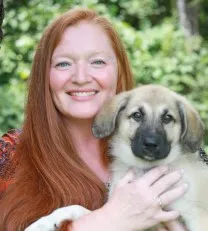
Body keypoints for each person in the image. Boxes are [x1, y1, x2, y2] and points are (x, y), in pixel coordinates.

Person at [0, 8, 188, 231]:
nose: (81, 78)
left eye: (97, 62)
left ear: (118, 71)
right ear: (45, 77)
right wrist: (109, 220)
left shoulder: (164, 151)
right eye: (63, 63)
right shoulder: (9, 158)